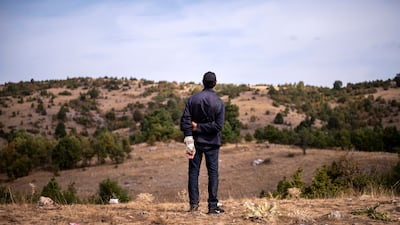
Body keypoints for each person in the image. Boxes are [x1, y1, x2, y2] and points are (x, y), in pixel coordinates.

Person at [180, 71, 225, 214]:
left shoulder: (192, 99)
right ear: (215, 83)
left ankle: (194, 206)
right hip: (212, 143)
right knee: (213, 174)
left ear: (202, 82)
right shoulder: (219, 102)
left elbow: (185, 121)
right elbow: (218, 126)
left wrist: (192, 133)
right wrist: (202, 127)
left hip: (195, 142)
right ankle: (212, 207)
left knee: (193, 173)